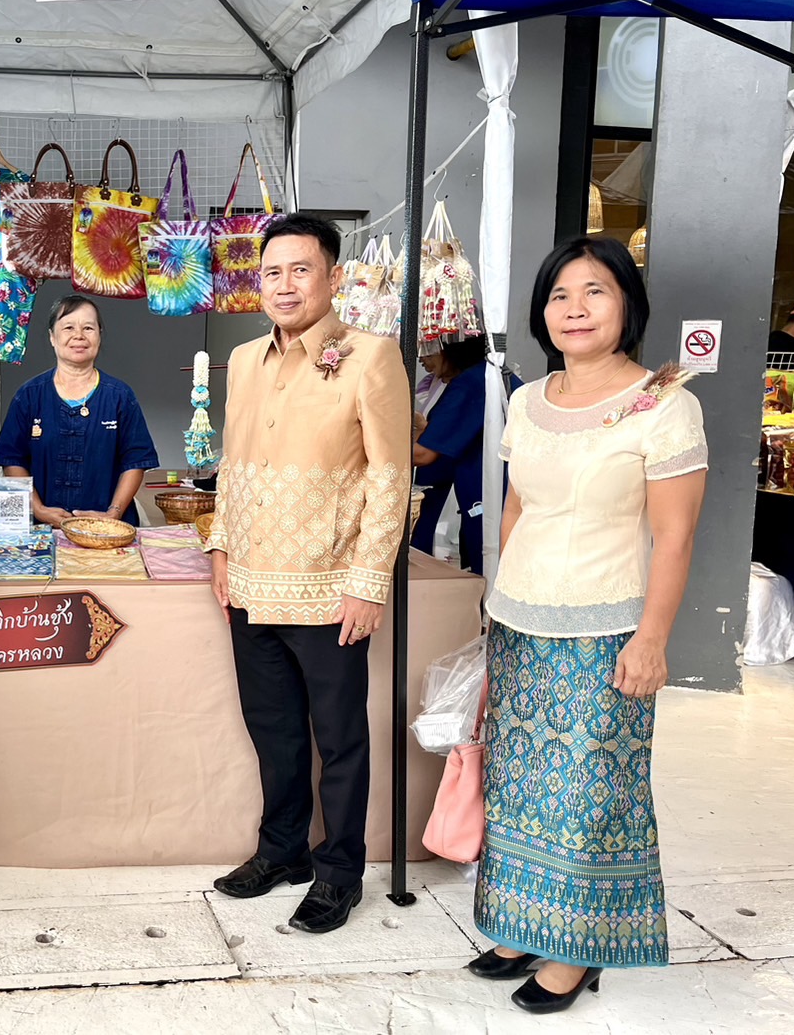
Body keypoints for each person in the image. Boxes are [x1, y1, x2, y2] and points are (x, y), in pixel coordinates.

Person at [468, 236, 707, 1014]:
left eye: (594, 290)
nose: (573, 308)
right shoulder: (527, 400)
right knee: (518, 787)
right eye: (558, 294)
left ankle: (575, 948)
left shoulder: (664, 404)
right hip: (520, 623)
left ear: (626, 303)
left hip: (605, 632)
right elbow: (516, 507)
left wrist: (651, 637)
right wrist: (499, 600)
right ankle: (521, 925)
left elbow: (674, 535)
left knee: (587, 794)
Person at [205, 212, 410, 934]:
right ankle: (281, 851)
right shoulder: (241, 360)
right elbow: (232, 462)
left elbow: (390, 475)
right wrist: (220, 547)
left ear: (334, 277)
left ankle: (339, 872)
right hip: (249, 581)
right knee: (274, 729)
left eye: (301, 269)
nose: (285, 285)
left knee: (339, 738)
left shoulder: (370, 355)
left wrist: (368, 581)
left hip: (328, 588)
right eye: (272, 272)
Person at [0, 295, 159, 528]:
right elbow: (12, 459)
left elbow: (135, 462)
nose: (79, 335)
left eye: (88, 328)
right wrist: (39, 510)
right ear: (52, 337)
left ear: (99, 335)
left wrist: (113, 513)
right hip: (43, 530)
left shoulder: (120, 396)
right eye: (68, 327)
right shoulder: (29, 395)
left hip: (108, 531)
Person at [411, 336, 497, 574]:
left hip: (471, 497)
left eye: (428, 348)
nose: (421, 358)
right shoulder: (485, 375)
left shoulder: (470, 385)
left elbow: (424, 454)